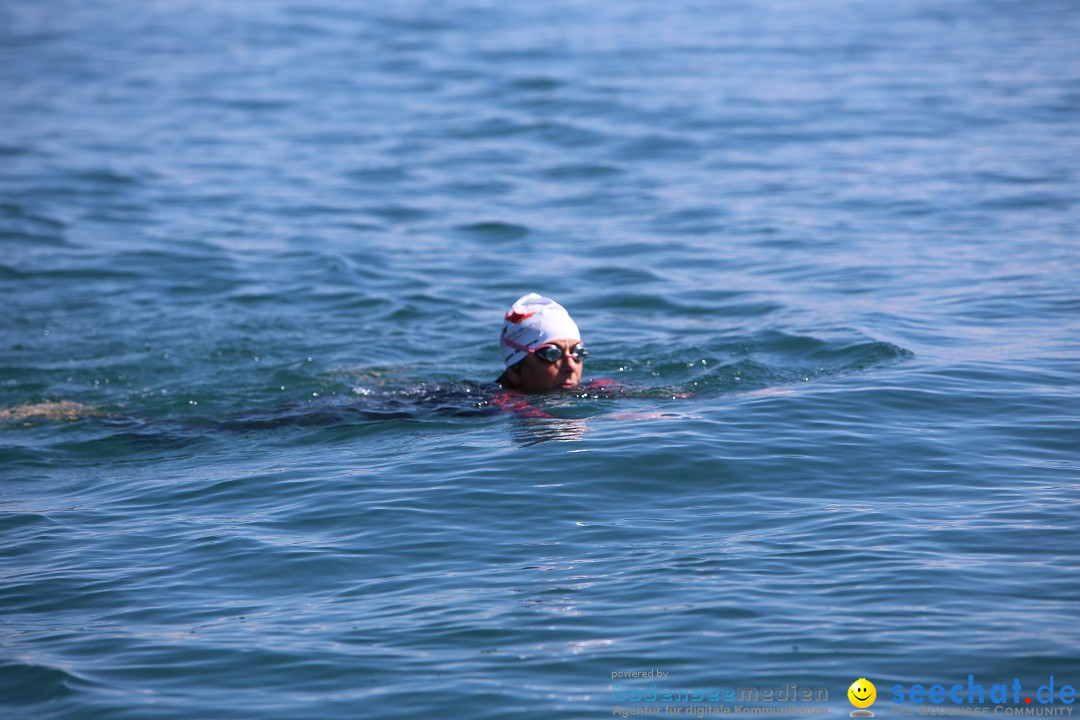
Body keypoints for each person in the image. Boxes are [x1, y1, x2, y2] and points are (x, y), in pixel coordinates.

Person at [494, 293, 590, 393]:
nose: (571, 366)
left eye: (578, 352)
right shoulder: (491, 405)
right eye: (552, 354)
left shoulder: (598, 391)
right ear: (514, 371)